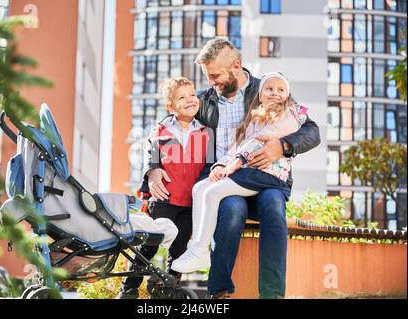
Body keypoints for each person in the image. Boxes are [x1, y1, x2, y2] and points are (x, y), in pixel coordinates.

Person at [145, 38, 320, 299]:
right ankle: (220, 291)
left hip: (266, 179)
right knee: (232, 208)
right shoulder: (204, 101)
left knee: (273, 207)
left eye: (215, 75)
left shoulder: (269, 88)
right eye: (208, 76)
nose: (211, 82)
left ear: (236, 67)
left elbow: (310, 130)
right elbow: (167, 125)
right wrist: (154, 166)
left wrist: (282, 146)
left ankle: (272, 294)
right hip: (227, 180)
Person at [171, 72, 308, 273]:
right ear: (260, 95)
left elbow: (261, 139)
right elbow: (238, 144)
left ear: (287, 95)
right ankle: (196, 248)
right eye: (269, 89)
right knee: (200, 188)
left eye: (281, 90)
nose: (275, 93)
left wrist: (237, 162)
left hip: (268, 175)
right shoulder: (256, 117)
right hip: (249, 172)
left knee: (213, 192)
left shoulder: (291, 114)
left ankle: (201, 250)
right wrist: (220, 165)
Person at [117, 77, 213, 299]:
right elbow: (151, 158)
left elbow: (208, 167)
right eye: (182, 97)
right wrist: (151, 170)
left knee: (179, 251)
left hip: (190, 204)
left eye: (192, 95)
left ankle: (166, 288)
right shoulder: (160, 131)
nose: (190, 100)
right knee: (148, 247)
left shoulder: (206, 133)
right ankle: (128, 288)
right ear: (171, 107)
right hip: (163, 199)